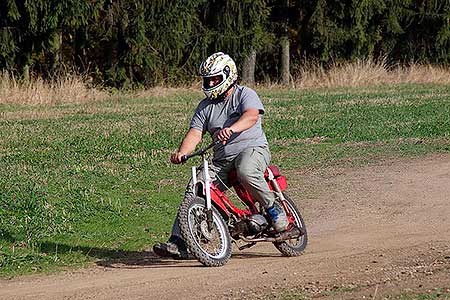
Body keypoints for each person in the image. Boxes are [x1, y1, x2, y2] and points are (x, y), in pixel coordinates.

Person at [153, 52, 288, 258]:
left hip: (252, 150)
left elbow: (251, 116)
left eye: (215, 78)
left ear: (228, 75)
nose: (210, 83)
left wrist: (232, 129)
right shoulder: (204, 107)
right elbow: (195, 133)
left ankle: (273, 209)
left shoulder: (244, 94)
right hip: (222, 160)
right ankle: (180, 241)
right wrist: (182, 152)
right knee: (196, 188)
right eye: (208, 79)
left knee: (246, 170)